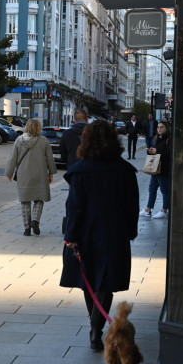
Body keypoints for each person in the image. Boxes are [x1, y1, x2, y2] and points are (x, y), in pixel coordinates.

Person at [60, 121, 138, 351]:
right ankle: (97, 328)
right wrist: (130, 231)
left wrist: (71, 235)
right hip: (114, 233)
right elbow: (132, 205)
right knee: (106, 282)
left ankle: (95, 326)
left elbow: (74, 207)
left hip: (85, 233)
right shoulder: (124, 170)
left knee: (88, 279)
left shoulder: (80, 171)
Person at [6, 119, 57, 236]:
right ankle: (35, 220)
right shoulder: (44, 141)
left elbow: (12, 158)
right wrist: (51, 173)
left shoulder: (19, 140)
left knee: (25, 201)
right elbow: (50, 158)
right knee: (39, 199)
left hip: (24, 174)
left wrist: (9, 173)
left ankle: (27, 229)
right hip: (40, 174)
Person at [139, 121, 172, 219]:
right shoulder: (156, 139)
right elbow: (155, 152)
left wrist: (157, 151)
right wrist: (150, 151)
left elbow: (169, 153)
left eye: (161, 127)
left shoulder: (169, 139)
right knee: (152, 189)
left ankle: (164, 210)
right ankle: (148, 209)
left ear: (166, 129)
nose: (159, 129)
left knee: (165, 190)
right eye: (158, 127)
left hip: (163, 169)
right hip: (155, 168)